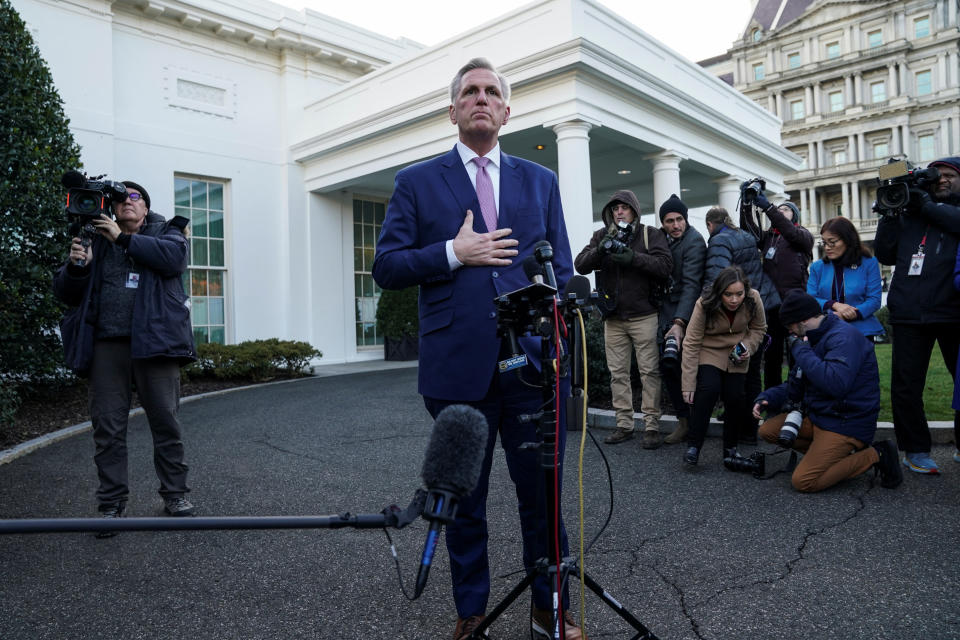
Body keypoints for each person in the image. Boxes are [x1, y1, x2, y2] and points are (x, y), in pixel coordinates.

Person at [371, 58, 584, 640]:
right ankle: (473, 614)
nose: (481, 98)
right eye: (470, 91)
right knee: (464, 502)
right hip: (456, 368)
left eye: (492, 92)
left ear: (507, 110)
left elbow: (561, 269)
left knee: (543, 496)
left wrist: (562, 334)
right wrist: (451, 254)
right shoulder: (417, 181)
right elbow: (385, 267)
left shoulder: (540, 181)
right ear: (453, 110)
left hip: (533, 369)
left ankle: (551, 608)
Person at [53, 181, 197, 532]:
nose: (127, 203)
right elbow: (66, 293)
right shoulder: (95, 241)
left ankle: (175, 494)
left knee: (166, 423)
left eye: (135, 198)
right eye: (120, 200)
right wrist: (77, 267)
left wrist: (122, 238)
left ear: (146, 208)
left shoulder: (168, 232)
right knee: (108, 428)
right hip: (107, 347)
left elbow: (173, 261)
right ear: (112, 208)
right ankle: (112, 504)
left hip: (156, 345)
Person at [753, 291, 903, 492]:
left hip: (846, 422)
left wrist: (802, 352)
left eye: (790, 326)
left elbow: (835, 384)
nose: (790, 332)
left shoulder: (843, 338)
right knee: (768, 431)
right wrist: (767, 398)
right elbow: (796, 381)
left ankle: (876, 454)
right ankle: (836, 458)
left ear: (803, 320)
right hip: (821, 415)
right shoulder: (810, 337)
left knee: (803, 481)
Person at [874, 156, 960, 474]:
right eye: (937, 175)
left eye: (950, 174)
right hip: (910, 311)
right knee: (906, 387)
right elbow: (885, 253)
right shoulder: (910, 210)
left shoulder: (947, 210)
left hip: (954, 312)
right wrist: (890, 210)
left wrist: (924, 204)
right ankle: (916, 449)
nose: (942, 180)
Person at [575, 190, 672, 448]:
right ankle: (624, 425)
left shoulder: (649, 234)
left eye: (625, 207)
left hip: (644, 315)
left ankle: (651, 426)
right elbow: (580, 264)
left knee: (649, 373)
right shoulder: (601, 235)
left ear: (634, 211)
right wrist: (602, 247)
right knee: (617, 374)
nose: (619, 211)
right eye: (615, 207)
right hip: (613, 317)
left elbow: (665, 266)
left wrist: (633, 258)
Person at [702, 206, 780, 443]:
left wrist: (704, 306)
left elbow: (717, 277)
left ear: (710, 225)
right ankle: (750, 428)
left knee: (735, 372)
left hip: (738, 314)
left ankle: (738, 428)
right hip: (761, 305)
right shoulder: (745, 236)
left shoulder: (718, 241)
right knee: (753, 371)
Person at [680, 266, 766, 465]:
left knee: (735, 396)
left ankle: (730, 449)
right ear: (720, 292)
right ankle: (694, 446)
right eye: (728, 294)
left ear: (746, 290)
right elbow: (691, 342)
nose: (734, 300)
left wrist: (748, 346)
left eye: (739, 294)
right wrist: (688, 384)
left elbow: (759, 328)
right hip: (708, 350)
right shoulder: (704, 303)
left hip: (737, 352)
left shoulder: (754, 299)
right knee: (708, 390)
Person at [741, 195, 813, 388]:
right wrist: (747, 205)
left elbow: (788, 230)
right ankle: (772, 401)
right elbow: (749, 231)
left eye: (786, 210)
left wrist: (769, 207)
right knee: (771, 357)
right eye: (779, 209)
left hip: (795, 305)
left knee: (796, 356)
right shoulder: (768, 238)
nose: (781, 212)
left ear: (794, 216)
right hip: (771, 306)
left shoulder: (802, 235)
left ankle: (797, 398)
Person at [656, 194, 706, 445]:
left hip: (686, 313)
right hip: (663, 309)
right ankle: (684, 421)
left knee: (685, 369)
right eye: (669, 221)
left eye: (679, 219)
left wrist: (679, 323)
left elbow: (691, 285)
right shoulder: (661, 238)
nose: (675, 225)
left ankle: (693, 423)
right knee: (668, 368)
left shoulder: (694, 242)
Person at [806, 216, 883, 339]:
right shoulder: (817, 267)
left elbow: (874, 300)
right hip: (825, 330)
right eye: (824, 242)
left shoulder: (869, 263)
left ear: (848, 240)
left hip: (861, 332)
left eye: (832, 242)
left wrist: (848, 314)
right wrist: (835, 305)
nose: (826, 247)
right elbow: (811, 298)